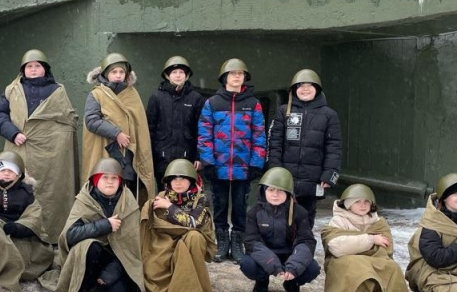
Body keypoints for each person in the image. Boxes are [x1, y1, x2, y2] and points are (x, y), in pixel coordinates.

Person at [0, 49, 79, 240]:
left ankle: (51, 234)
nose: (33, 70)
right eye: (29, 66)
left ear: (45, 69)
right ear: (23, 70)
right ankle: (22, 233)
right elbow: (0, 115)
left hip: (51, 155)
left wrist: (52, 139)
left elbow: (67, 120)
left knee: (50, 193)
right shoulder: (12, 89)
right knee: (20, 190)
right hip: (19, 149)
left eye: (37, 66)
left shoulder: (57, 90)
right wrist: (13, 133)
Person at [40, 158, 145, 292]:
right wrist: (105, 225)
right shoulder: (85, 200)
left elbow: (131, 245)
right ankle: (86, 282)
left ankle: (100, 277)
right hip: (89, 254)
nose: (110, 182)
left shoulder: (128, 204)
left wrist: (110, 272)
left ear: (120, 181)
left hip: (115, 258)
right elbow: (70, 235)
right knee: (90, 246)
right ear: (96, 180)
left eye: (114, 178)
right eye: (105, 177)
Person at [141, 159, 229, 292]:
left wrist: (169, 207)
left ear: (191, 180)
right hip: (164, 243)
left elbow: (194, 223)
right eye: (174, 178)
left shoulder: (201, 199)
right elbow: (157, 227)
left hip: (191, 244)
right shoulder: (161, 196)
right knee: (155, 256)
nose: (178, 182)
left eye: (183, 178)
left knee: (193, 237)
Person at [198, 58, 266, 263]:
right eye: (233, 73)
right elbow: (204, 133)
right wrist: (207, 162)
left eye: (240, 73)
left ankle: (238, 243)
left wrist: (256, 162)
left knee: (240, 206)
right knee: (219, 205)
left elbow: (259, 135)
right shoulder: (212, 103)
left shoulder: (253, 104)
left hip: (243, 167)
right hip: (218, 166)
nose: (237, 77)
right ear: (224, 77)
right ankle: (222, 242)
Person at [0, 151, 54, 290]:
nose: (6, 173)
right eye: (3, 170)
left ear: (18, 174)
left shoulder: (26, 192)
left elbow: (33, 215)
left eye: (11, 171)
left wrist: (18, 227)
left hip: (16, 231)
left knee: (24, 260)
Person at [267, 68, 342, 227]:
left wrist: (329, 173)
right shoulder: (283, 112)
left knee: (306, 216)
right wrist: (275, 170)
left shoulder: (330, 115)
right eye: (301, 85)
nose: (305, 89)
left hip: (313, 177)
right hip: (285, 177)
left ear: (318, 89)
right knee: (281, 215)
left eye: (310, 85)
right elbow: (274, 143)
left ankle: (304, 247)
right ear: (294, 89)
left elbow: (334, 147)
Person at [320, 184, 408, 292]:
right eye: (357, 201)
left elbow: (386, 246)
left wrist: (361, 246)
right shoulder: (338, 221)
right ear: (348, 204)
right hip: (343, 260)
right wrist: (371, 240)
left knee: (391, 267)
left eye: (366, 201)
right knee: (355, 265)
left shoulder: (378, 222)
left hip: (373, 258)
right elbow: (336, 246)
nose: (363, 205)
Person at [82, 52, 154, 208]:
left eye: (121, 72)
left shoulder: (132, 94)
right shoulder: (97, 94)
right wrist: (117, 133)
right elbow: (92, 121)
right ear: (106, 74)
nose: (118, 75)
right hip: (105, 150)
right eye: (114, 72)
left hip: (129, 153)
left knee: (127, 189)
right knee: (104, 187)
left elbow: (139, 124)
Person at [238, 167, 320, 292]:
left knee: (312, 268)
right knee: (247, 263)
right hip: (266, 256)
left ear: (288, 193)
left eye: (280, 190)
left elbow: (306, 242)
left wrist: (293, 267)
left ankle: (292, 284)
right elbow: (252, 242)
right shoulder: (255, 212)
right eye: (271, 190)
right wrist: (272, 264)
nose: (275, 194)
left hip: (290, 255)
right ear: (264, 191)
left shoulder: (299, 212)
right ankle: (262, 281)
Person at [146, 55, 205, 186]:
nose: (178, 75)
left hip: (187, 157)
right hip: (161, 157)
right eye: (174, 72)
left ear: (187, 75)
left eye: (181, 72)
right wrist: (149, 156)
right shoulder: (156, 98)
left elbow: (201, 130)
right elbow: (149, 129)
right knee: (163, 194)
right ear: (167, 75)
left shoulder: (196, 98)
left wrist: (199, 157)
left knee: (187, 196)